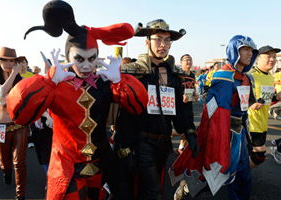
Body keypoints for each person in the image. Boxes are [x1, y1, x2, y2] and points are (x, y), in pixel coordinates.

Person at [6, 1, 148, 200]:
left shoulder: (106, 82)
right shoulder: (55, 85)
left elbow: (139, 105)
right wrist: (48, 82)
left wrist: (120, 80)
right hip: (67, 168)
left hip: (100, 166)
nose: (87, 66)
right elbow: (19, 113)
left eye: (92, 58)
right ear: (68, 56)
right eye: (79, 59)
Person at [172, 35, 259, 200]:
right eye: (245, 49)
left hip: (239, 132)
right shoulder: (223, 76)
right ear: (235, 51)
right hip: (220, 132)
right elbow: (213, 111)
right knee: (212, 170)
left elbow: (247, 103)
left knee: (241, 174)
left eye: (252, 51)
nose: (250, 54)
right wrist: (215, 135)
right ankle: (187, 187)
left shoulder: (248, 78)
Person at [120, 19, 199, 200]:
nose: (162, 45)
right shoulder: (132, 72)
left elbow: (181, 108)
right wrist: (123, 145)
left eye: (166, 40)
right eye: (158, 39)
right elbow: (121, 109)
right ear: (147, 42)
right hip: (141, 142)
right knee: (154, 193)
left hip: (164, 143)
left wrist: (190, 132)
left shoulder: (174, 74)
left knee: (147, 189)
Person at [0, 47, 28, 200]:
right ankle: (7, 173)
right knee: (5, 163)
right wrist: (15, 73)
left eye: (12, 61)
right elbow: (0, 93)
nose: (9, 64)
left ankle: (20, 195)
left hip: (20, 125)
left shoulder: (20, 80)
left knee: (20, 162)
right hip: (1, 126)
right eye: (5, 60)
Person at [248, 45, 281, 169]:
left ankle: (237, 177)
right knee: (259, 156)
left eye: (274, 57)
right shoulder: (250, 76)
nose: (272, 59)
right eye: (268, 56)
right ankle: (234, 175)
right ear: (257, 58)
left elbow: (267, 98)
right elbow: (238, 97)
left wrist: (276, 97)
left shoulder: (270, 76)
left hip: (262, 123)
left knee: (250, 155)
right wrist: (250, 105)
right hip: (251, 123)